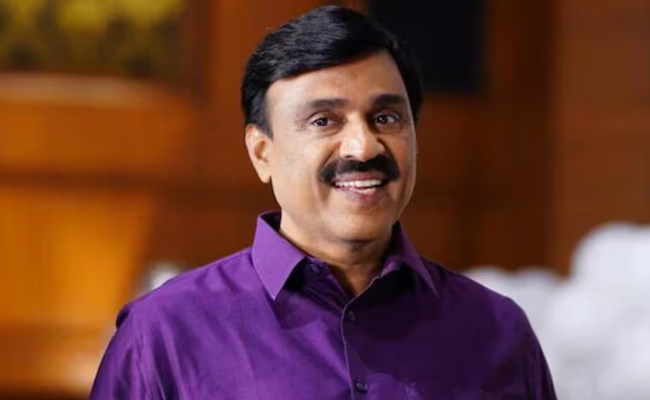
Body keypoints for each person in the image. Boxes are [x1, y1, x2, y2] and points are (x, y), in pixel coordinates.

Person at [90, 5, 557, 399]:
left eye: (386, 117)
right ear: (262, 152)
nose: (364, 146)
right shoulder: (165, 334)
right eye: (323, 121)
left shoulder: (496, 332)